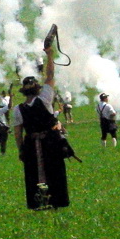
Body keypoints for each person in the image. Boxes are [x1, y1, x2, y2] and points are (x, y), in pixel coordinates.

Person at [13, 43, 70, 210]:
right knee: (55, 173)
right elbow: (50, 75)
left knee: (33, 175)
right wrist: (50, 55)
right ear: (37, 89)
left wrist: (21, 149)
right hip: (50, 142)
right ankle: (56, 202)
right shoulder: (45, 99)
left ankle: (39, 203)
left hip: (31, 144)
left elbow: (17, 133)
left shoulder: (18, 109)